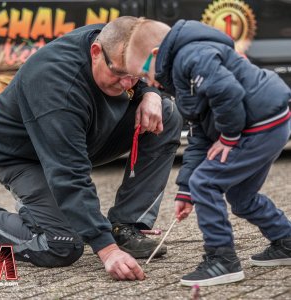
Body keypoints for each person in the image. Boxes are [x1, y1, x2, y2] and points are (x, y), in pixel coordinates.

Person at [0, 16, 183, 281]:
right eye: (119, 74)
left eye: (134, 75)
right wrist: (107, 251)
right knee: (62, 245)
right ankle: (36, 213)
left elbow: (143, 70)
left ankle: (126, 226)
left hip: (82, 136)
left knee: (166, 112)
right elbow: (69, 174)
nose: (127, 84)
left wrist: (150, 93)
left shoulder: (116, 42)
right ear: (95, 53)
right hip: (23, 156)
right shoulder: (56, 87)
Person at [123, 18, 291, 286]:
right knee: (240, 195)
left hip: (259, 125)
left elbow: (228, 92)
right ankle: (286, 241)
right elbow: (200, 135)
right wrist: (185, 190)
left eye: (144, 74)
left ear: (157, 54)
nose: (148, 83)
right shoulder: (179, 75)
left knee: (207, 182)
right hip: (267, 124)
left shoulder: (192, 56)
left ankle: (222, 260)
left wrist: (229, 136)